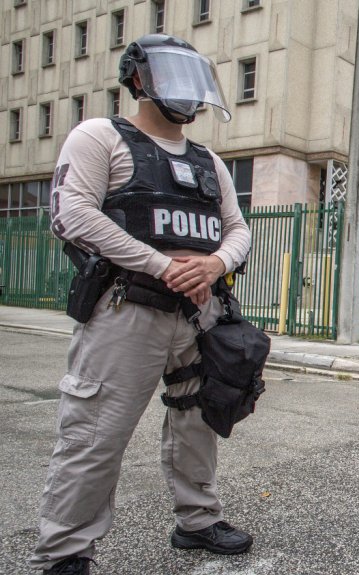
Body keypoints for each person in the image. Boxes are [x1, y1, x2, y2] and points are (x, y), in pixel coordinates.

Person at [27, 35, 253, 574]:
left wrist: (216, 264)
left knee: (198, 422)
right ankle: (65, 550)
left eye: (193, 78)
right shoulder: (100, 136)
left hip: (199, 315)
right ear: (137, 80)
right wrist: (163, 266)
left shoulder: (208, 161)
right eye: (171, 76)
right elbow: (73, 214)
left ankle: (196, 521)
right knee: (95, 433)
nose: (187, 92)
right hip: (127, 308)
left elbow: (238, 229)